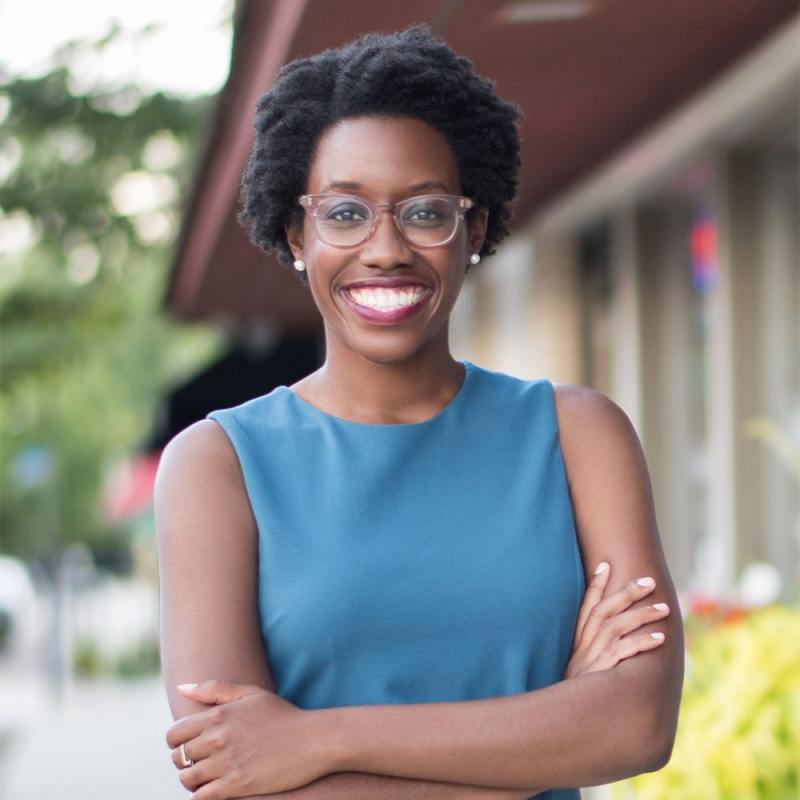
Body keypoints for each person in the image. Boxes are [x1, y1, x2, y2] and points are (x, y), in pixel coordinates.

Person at [155, 24, 683, 800]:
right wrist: (556, 733)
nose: (385, 248)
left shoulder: (577, 435)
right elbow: (232, 777)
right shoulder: (217, 464)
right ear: (298, 233)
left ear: (472, 230)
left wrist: (316, 737)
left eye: (425, 211)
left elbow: (638, 726)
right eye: (344, 214)